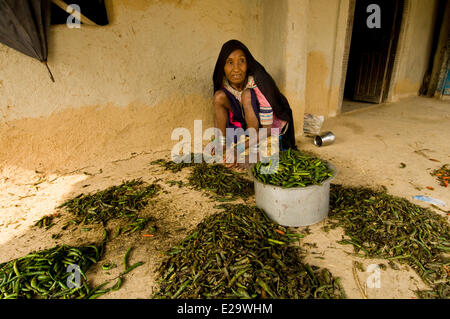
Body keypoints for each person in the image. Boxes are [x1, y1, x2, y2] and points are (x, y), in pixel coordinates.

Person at [211, 39, 297, 167]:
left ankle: (253, 152)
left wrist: (238, 149)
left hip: (270, 128)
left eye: (241, 61)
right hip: (250, 124)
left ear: (248, 63)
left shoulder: (258, 84)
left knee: (247, 95)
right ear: (222, 67)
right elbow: (222, 113)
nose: (236, 69)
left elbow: (268, 130)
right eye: (230, 62)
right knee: (218, 96)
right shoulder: (224, 82)